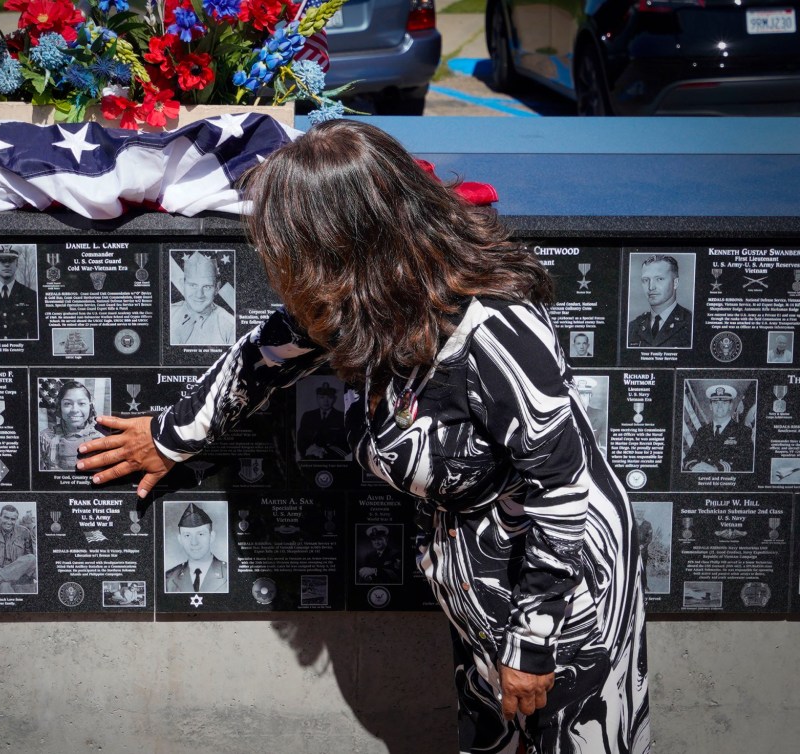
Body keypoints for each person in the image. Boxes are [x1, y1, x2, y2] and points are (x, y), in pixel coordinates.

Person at [77, 121, 650, 752]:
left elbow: (563, 490)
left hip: (563, 602)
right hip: (479, 587)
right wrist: (168, 438)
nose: (276, 266)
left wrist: (532, 642)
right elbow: (262, 358)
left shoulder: (493, 329)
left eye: (289, 247)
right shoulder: (366, 300)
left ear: (343, 245)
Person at [683, 384, 754, 473]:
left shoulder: (743, 431)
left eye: (724, 403)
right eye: (716, 403)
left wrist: (718, 468)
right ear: (710, 406)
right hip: (704, 479)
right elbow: (689, 458)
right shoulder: (703, 431)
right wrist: (694, 466)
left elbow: (746, 462)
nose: (720, 406)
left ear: (730, 405)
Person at [170, 251, 235, 345]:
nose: (199, 295)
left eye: (207, 287)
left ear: (217, 288)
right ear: (182, 285)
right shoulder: (169, 314)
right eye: (193, 285)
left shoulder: (229, 325)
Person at [627, 254, 692, 348]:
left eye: (659, 279)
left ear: (675, 283)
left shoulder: (691, 323)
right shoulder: (632, 327)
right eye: (646, 280)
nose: (651, 287)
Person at [39, 380, 105, 471]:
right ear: (60, 406)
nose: (74, 410)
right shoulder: (44, 438)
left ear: (90, 406)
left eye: (81, 403)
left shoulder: (100, 440)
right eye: (67, 404)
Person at [164, 503, 229, 593]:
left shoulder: (230, 574)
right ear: (180, 539)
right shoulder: (168, 579)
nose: (194, 542)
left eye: (200, 534)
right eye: (187, 535)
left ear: (211, 536)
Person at [0, 504, 36, 593]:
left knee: (31, 558)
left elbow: (29, 558)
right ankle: (0, 578)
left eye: (13, 519)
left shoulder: (24, 532)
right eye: (6, 518)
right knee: (4, 586)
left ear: (16, 519)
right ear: (0, 517)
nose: (9, 522)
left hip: (19, 575)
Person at [296, 381, 350, 460]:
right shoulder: (308, 416)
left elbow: (347, 444)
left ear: (334, 399)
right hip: (311, 460)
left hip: (335, 461)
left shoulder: (342, 417)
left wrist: (326, 451)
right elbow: (301, 441)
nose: (326, 401)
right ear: (317, 398)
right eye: (322, 397)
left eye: (329, 397)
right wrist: (311, 450)